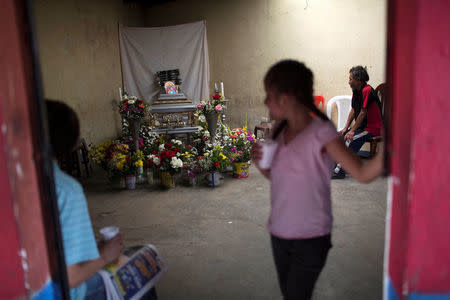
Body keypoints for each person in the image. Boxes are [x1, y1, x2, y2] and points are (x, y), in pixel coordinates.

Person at [251, 60, 383, 300]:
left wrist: (394, 153)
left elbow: (363, 174)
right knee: (289, 292)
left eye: (272, 94)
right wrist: (262, 167)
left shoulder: (322, 133)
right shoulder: (278, 132)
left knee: (296, 294)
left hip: (311, 236)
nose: (267, 102)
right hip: (280, 233)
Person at [47, 100, 158, 300]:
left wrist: (94, 250)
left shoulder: (19, 182)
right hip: (64, 292)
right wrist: (106, 254)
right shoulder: (64, 189)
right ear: (71, 144)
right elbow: (69, 279)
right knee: (141, 271)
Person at [332, 66, 383, 179]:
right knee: (341, 136)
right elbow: (354, 110)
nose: (349, 81)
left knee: (351, 139)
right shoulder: (356, 90)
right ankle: (338, 166)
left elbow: (363, 113)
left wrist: (353, 131)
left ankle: (339, 172)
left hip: (372, 128)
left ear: (359, 80)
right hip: (363, 127)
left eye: (351, 79)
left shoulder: (367, 90)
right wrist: (346, 128)